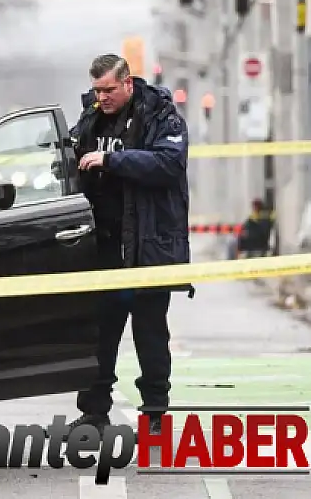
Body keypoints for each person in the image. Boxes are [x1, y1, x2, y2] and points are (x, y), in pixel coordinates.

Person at [63, 54, 192, 437]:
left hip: (147, 246)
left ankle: (154, 416)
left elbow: (169, 164)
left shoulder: (160, 117)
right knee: (100, 333)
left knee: (150, 333)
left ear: (128, 83)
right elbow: (73, 160)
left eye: (109, 89)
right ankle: (94, 411)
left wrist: (112, 160)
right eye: (97, 90)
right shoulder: (89, 119)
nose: (102, 97)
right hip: (102, 248)